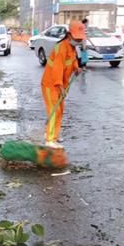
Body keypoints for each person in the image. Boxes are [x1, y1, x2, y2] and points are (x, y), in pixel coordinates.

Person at [40, 20, 85, 149]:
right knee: (54, 111)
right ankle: (49, 139)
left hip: (61, 85)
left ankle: (54, 135)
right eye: (76, 38)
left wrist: (76, 68)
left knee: (59, 111)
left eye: (80, 39)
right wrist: (59, 85)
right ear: (69, 35)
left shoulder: (71, 48)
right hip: (51, 84)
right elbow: (57, 69)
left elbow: (72, 61)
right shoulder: (61, 48)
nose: (78, 41)